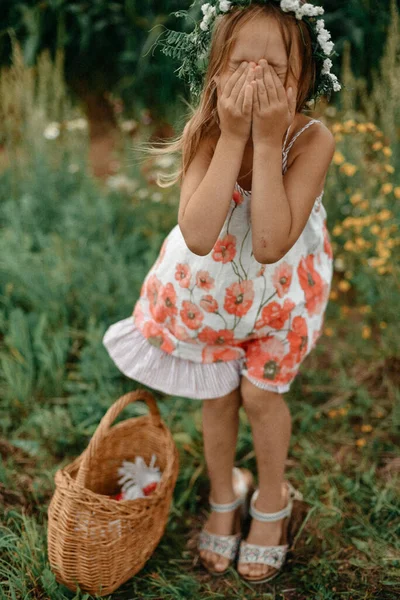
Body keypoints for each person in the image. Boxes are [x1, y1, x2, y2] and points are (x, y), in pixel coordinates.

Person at [103, 0, 340, 585]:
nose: (257, 78)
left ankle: (271, 501)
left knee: (259, 397)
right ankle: (223, 496)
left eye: (274, 66)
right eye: (241, 64)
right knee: (219, 394)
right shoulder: (206, 132)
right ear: (215, 73)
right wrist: (233, 133)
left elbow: (268, 242)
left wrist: (264, 142)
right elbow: (201, 233)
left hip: (281, 297)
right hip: (210, 296)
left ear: (302, 77)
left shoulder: (313, 139)